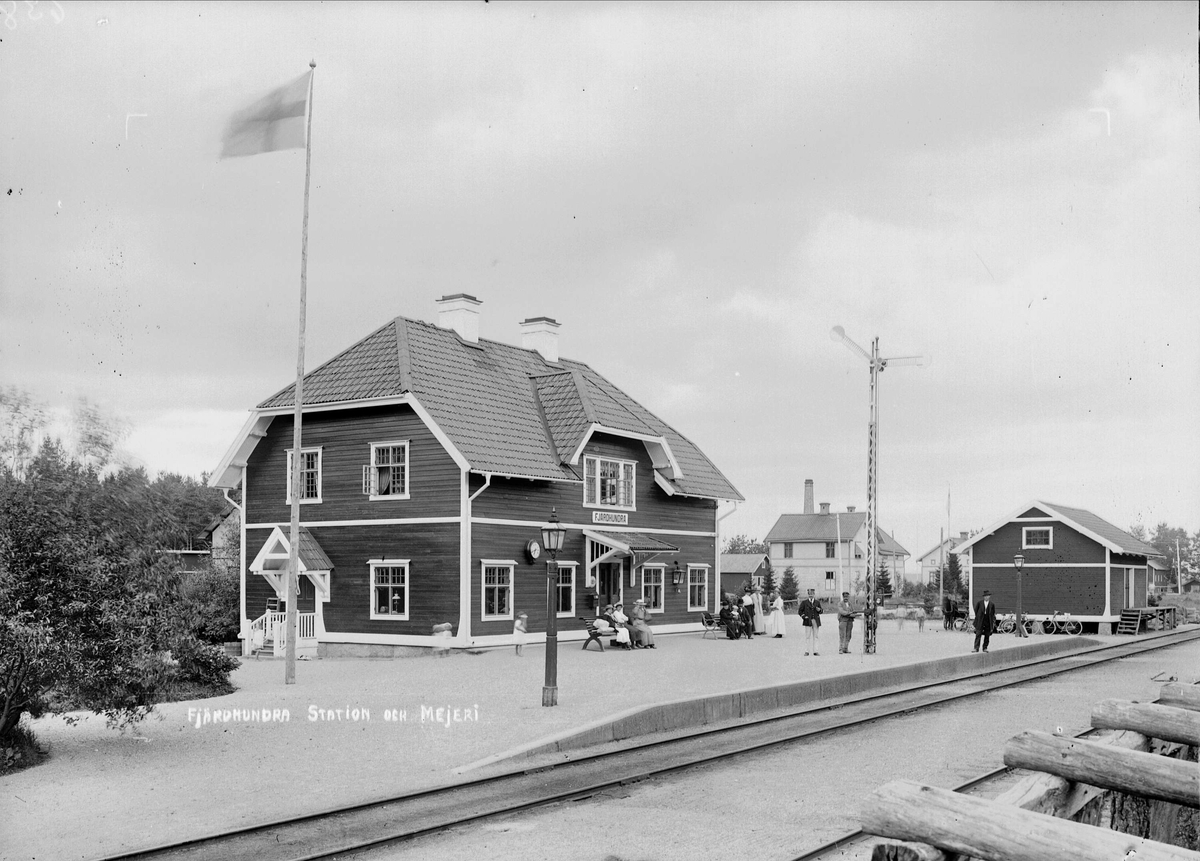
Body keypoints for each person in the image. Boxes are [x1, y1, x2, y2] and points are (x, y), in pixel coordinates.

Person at [798, 588, 823, 655]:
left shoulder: (817, 602)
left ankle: (815, 651)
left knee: (816, 636)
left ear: (814, 594)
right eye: (809, 594)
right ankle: (807, 651)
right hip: (808, 621)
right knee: (807, 636)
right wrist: (803, 616)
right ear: (808, 595)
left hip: (815, 621)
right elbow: (800, 611)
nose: (811, 595)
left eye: (812, 594)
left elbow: (821, 611)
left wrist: (819, 610)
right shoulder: (804, 602)